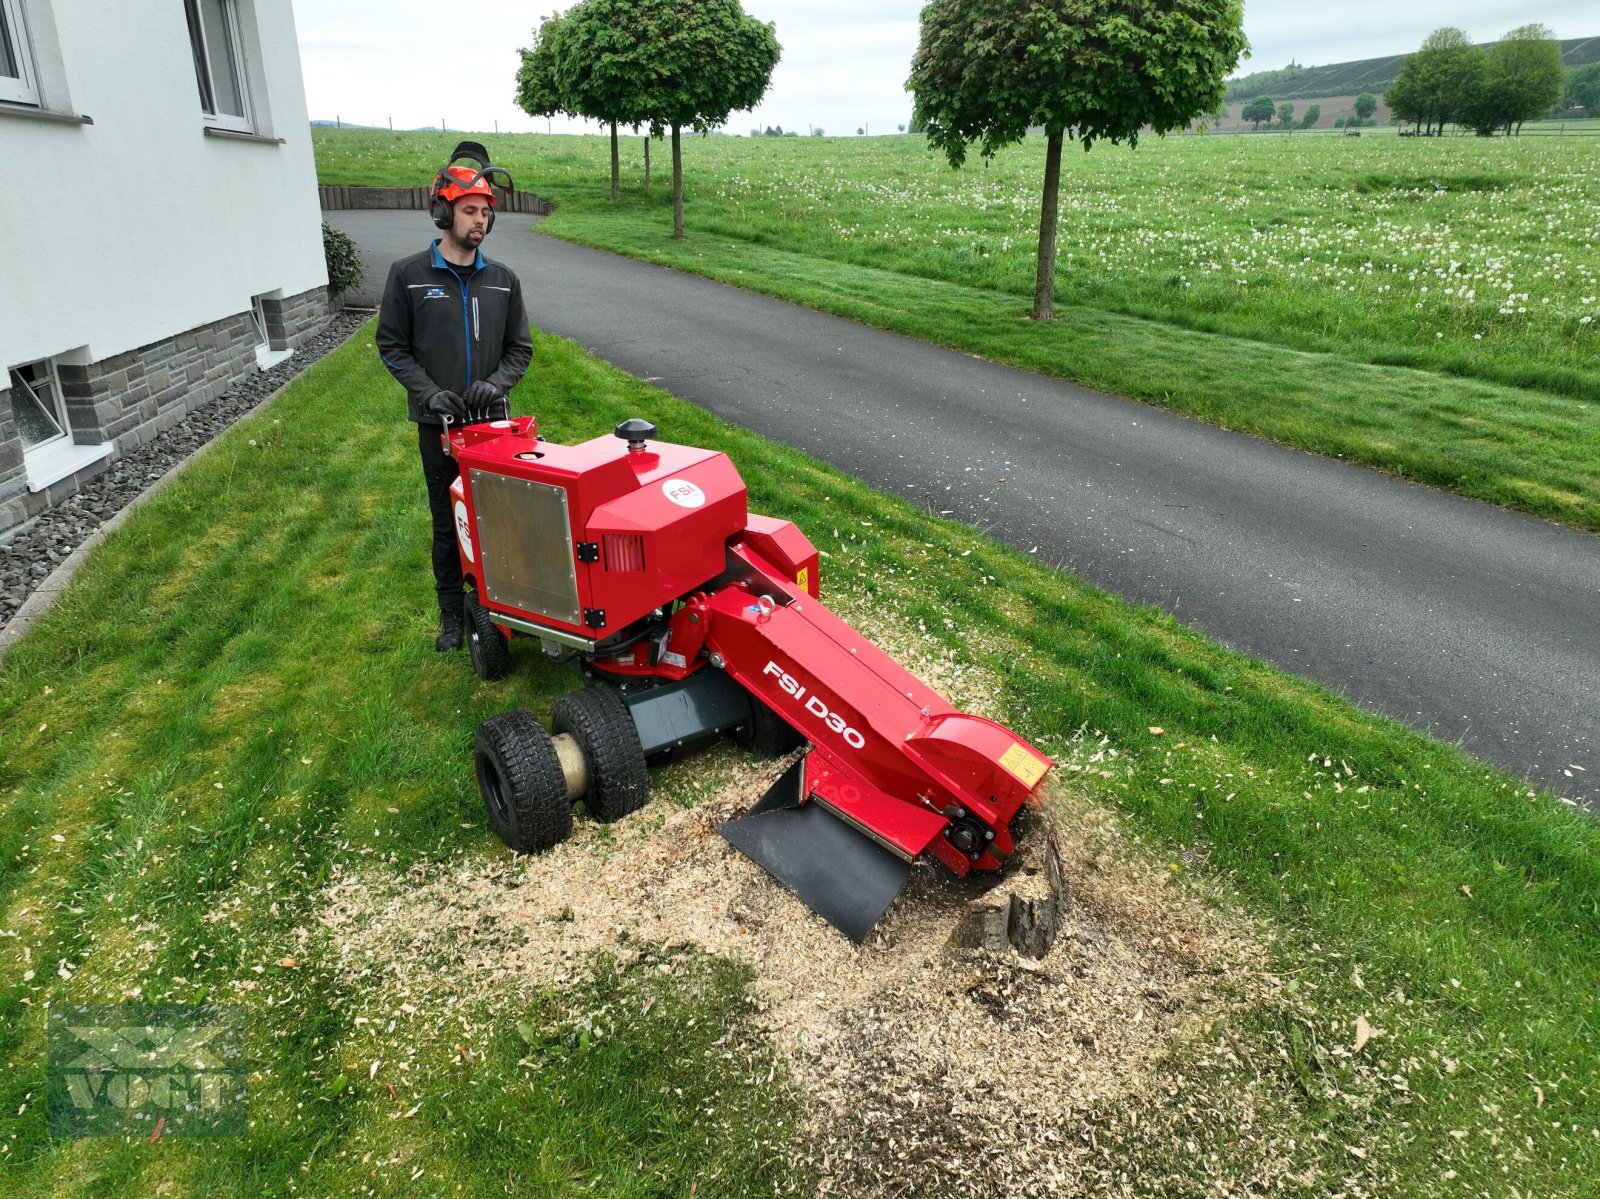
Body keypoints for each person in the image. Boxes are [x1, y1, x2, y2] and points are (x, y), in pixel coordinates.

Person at [377, 146, 533, 651]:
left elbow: (520, 348)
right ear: (443, 212)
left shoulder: (503, 281)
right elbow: (392, 346)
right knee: (449, 524)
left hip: (493, 428)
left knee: (503, 521)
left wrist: (499, 383)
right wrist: (430, 394)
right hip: (439, 427)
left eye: (485, 212)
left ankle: (507, 606)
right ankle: (451, 616)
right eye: (469, 210)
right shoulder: (409, 275)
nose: (479, 220)